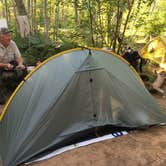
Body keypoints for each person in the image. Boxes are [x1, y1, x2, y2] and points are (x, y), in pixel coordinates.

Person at [0, 27, 27, 104]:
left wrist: (20, 64)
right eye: (7, 36)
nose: (10, 38)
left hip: (11, 65)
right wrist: (5, 65)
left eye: (10, 35)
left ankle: (20, 91)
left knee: (23, 68)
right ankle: (1, 98)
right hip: (1, 67)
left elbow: (18, 57)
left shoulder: (12, 43)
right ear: (1, 37)